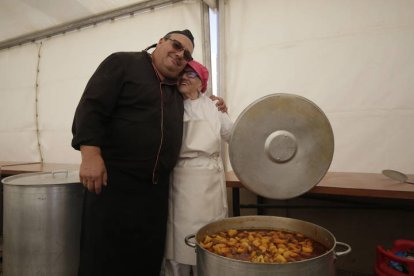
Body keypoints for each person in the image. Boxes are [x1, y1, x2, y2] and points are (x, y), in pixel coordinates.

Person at [71, 30, 225, 276]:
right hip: (114, 186)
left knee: (146, 259)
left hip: (156, 194)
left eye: (186, 55)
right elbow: (92, 106)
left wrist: (212, 103)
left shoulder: (176, 88)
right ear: (160, 42)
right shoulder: (124, 63)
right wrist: (90, 155)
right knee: (104, 258)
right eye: (175, 45)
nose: (179, 55)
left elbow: (196, 104)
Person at [164, 60, 233, 276]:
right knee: (179, 236)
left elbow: (233, 136)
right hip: (182, 177)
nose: (184, 77)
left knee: (211, 235)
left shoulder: (213, 107)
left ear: (201, 83)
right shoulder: (170, 105)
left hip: (210, 179)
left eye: (191, 75)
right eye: (182, 74)